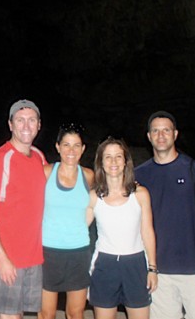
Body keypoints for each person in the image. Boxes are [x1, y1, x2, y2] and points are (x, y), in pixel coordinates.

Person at [135, 111, 195, 319]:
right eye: (155, 131)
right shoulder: (139, 175)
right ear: (149, 136)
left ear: (175, 134)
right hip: (158, 271)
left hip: (194, 269)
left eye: (166, 130)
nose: (161, 135)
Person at [0, 99, 47, 319]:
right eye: (20, 120)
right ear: (10, 125)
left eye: (31, 120)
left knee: (23, 314)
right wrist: (2, 259)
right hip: (6, 258)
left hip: (32, 256)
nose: (26, 126)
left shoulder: (38, 156)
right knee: (10, 316)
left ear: (39, 124)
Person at [86, 137, 157, 319]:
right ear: (101, 162)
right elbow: (77, 230)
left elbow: (147, 232)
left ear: (126, 161)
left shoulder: (140, 194)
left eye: (118, 156)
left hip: (135, 263)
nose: (114, 162)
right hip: (104, 264)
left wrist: (152, 268)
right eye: (108, 157)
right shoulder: (93, 197)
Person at [39, 123, 95, 319]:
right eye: (66, 145)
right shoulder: (45, 173)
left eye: (76, 145)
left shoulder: (88, 176)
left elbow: (108, 193)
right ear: (57, 147)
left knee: (75, 313)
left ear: (83, 149)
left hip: (79, 252)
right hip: (48, 252)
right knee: (46, 314)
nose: (71, 151)